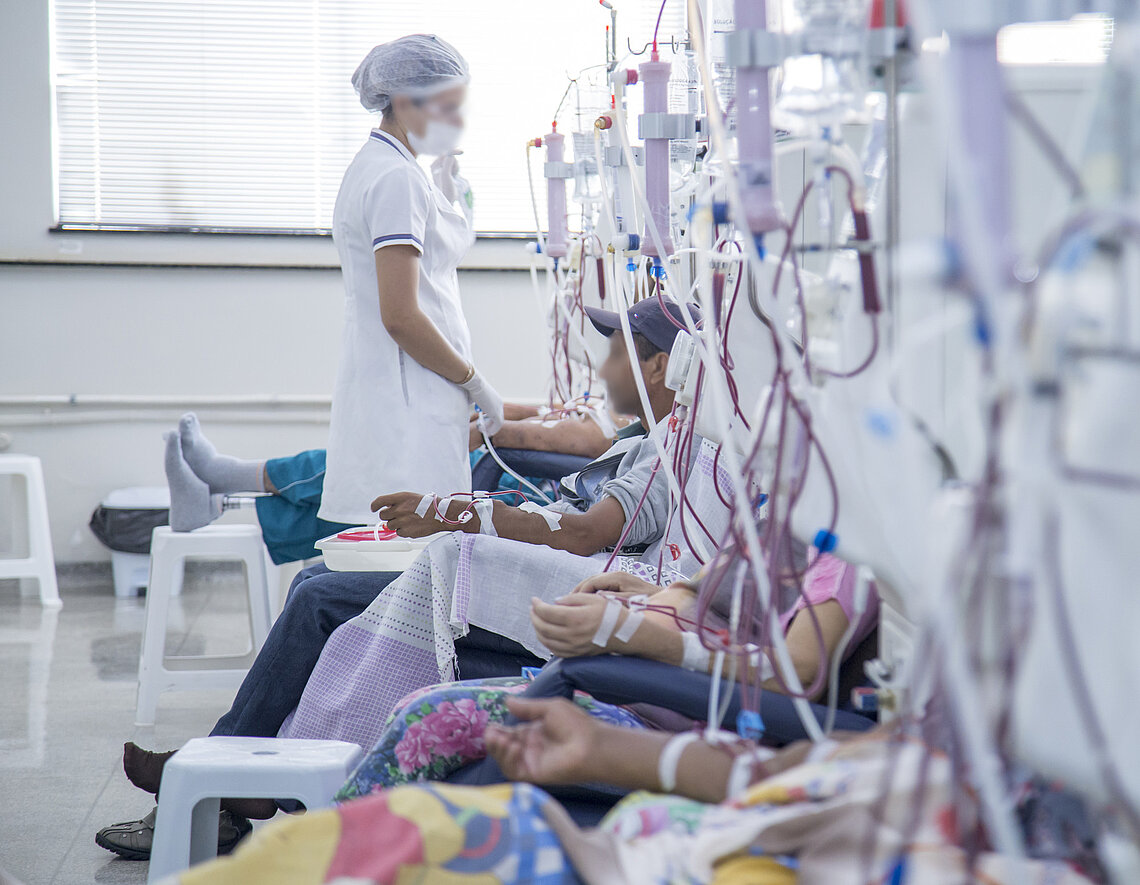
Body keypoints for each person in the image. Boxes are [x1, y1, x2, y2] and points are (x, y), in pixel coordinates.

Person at [96, 299, 698, 860]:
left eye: (618, 352)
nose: (604, 366)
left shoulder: (668, 449)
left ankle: (222, 776)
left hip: (558, 610)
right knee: (313, 582)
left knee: (320, 597)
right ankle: (232, 776)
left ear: (661, 366)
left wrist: (458, 514)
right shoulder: (651, 438)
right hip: (547, 579)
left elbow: (587, 533)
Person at [161, 34, 505, 557]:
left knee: (397, 541)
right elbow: (402, 315)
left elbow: (428, 266)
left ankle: (224, 492)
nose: (459, 119)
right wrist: (474, 382)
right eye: (449, 105)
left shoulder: (383, 167)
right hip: (410, 399)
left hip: (401, 389)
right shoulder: (396, 179)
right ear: (407, 100)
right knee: (411, 551)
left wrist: (446, 196)